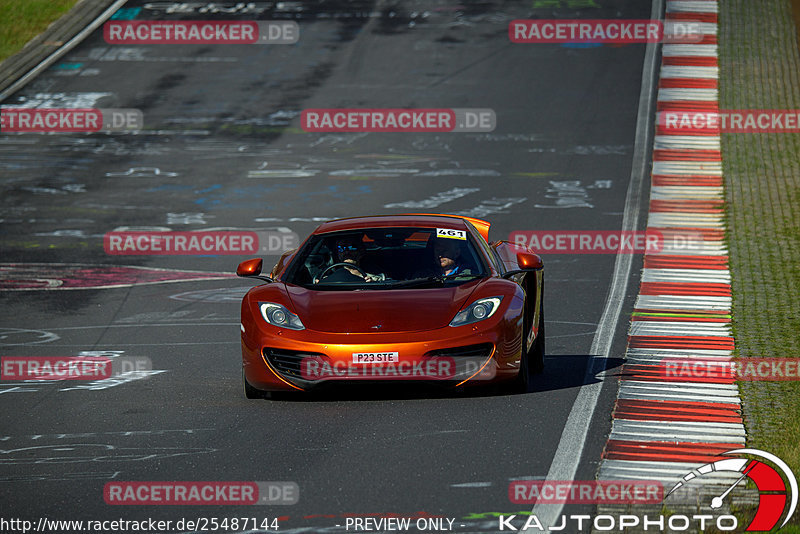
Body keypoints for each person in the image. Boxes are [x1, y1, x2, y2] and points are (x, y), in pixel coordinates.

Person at [315, 235, 385, 283]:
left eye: (352, 248)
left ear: (361, 252)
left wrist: (372, 285)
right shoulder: (328, 278)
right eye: (341, 249)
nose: (347, 252)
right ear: (338, 254)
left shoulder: (375, 279)